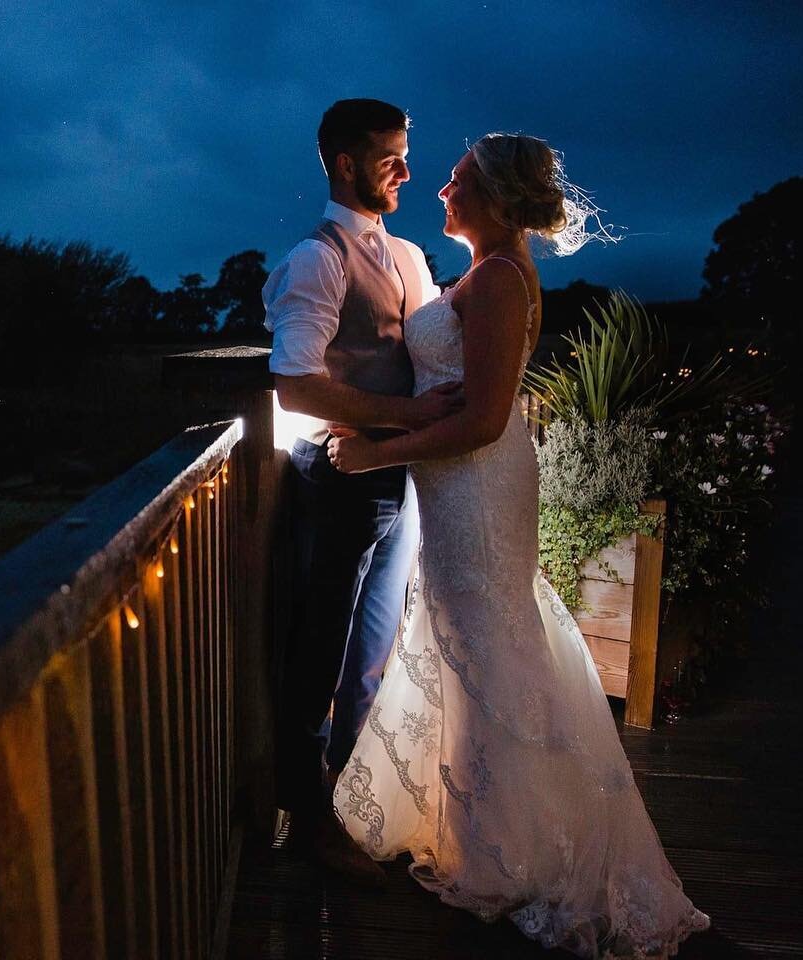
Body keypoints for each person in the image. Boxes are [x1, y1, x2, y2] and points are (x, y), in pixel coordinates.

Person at [327, 133, 710, 957]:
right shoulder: (483, 274)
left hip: (477, 481)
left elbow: (486, 420)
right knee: (475, 637)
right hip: (460, 483)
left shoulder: (500, 278)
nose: (439, 191)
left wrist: (374, 452)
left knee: (488, 640)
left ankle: (514, 849)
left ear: (496, 198)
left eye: (457, 180)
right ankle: (479, 825)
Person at [263, 98, 459, 879]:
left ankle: (353, 800)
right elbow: (294, 384)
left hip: (400, 473)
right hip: (340, 476)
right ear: (346, 165)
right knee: (322, 647)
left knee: (372, 652)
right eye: (390, 158)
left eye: (407, 155)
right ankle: (307, 820)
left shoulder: (410, 255)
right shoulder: (317, 259)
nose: (407, 171)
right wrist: (402, 415)